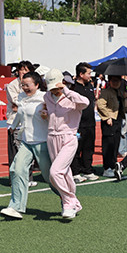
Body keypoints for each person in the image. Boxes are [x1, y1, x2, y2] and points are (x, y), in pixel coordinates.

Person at [1, 72, 55, 219]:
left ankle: (68, 200)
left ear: (37, 85)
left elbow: (55, 115)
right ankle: (16, 207)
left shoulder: (45, 97)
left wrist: (47, 115)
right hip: (26, 142)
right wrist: (13, 126)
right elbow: (20, 114)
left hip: (42, 142)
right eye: (22, 85)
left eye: (27, 85)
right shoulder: (21, 97)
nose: (24, 88)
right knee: (16, 170)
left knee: (50, 177)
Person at [43, 68, 90, 219]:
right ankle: (71, 204)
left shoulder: (72, 97)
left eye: (56, 87)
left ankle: (69, 201)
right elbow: (51, 112)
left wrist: (66, 91)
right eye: (51, 88)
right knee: (64, 172)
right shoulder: (47, 97)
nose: (54, 91)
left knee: (55, 172)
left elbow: (86, 102)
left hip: (69, 137)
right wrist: (46, 114)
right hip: (52, 137)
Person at [70, 62, 99, 182]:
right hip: (78, 125)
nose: (90, 75)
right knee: (77, 149)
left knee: (89, 148)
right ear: (81, 74)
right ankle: (75, 172)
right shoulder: (74, 89)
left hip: (90, 123)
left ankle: (87, 170)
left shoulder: (90, 86)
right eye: (88, 73)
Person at [97, 75, 127, 177]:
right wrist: (107, 117)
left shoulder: (119, 92)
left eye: (118, 81)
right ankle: (107, 168)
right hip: (109, 121)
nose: (116, 83)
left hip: (118, 119)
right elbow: (100, 104)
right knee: (108, 145)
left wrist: (125, 97)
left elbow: (124, 103)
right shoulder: (105, 92)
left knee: (115, 144)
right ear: (109, 81)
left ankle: (113, 165)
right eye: (113, 81)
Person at [5, 61, 33, 170]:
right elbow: (16, 102)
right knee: (15, 154)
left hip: (29, 122)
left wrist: (22, 106)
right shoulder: (12, 85)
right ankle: (15, 176)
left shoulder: (33, 84)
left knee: (28, 153)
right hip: (15, 123)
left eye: (26, 70)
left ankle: (28, 176)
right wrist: (27, 104)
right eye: (22, 70)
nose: (24, 72)